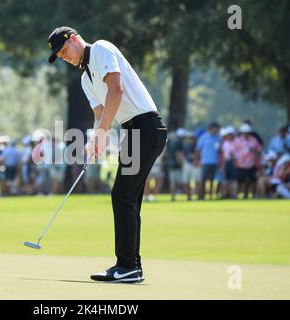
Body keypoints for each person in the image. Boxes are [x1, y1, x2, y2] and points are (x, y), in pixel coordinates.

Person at [47, 26, 167, 283]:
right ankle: (131, 266)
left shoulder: (101, 48)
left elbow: (116, 90)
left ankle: (127, 266)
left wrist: (102, 132)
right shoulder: (84, 80)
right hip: (133, 132)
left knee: (122, 196)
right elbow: (100, 114)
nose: (65, 56)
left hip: (147, 127)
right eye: (60, 55)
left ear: (76, 38)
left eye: (65, 50)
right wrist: (95, 140)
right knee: (128, 198)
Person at [232, 124, 263, 199]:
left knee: (252, 181)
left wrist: (255, 154)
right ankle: (237, 195)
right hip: (240, 164)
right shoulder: (237, 140)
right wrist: (234, 162)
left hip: (251, 164)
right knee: (240, 181)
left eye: (247, 132)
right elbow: (233, 152)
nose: (245, 134)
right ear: (242, 133)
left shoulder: (253, 140)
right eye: (244, 132)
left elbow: (259, 150)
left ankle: (254, 195)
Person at [196, 122, 220, 200]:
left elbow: (220, 151)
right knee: (203, 180)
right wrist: (197, 161)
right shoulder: (204, 137)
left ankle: (210, 196)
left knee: (212, 181)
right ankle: (201, 196)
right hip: (205, 162)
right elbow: (198, 150)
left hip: (214, 162)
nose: (216, 130)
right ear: (210, 129)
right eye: (215, 129)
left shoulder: (218, 138)